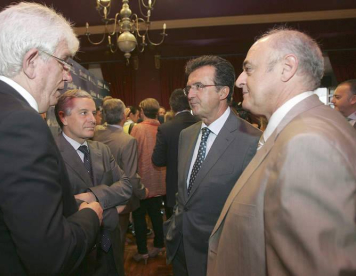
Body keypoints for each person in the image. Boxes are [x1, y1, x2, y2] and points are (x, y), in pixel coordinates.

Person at [0, 3, 103, 275]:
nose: (68, 77)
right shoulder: (19, 123)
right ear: (31, 62)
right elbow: (52, 255)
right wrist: (91, 215)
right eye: (64, 62)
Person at [207, 28, 356, 276]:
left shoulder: (307, 141)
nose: (239, 80)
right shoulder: (305, 127)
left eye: (249, 69)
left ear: (287, 68)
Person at [164, 55, 261, 276]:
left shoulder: (252, 140)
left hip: (221, 256)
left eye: (199, 86)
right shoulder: (186, 135)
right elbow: (184, 194)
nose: (189, 94)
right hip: (180, 246)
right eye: (188, 87)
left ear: (223, 92)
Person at [54, 90, 132, 276]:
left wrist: (93, 196)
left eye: (94, 112)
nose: (93, 119)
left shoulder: (102, 150)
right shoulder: (50, 154)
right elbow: (61, 207)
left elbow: (127, 186)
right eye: (83, 113)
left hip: (110, 249)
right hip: (77, 254)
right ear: (63, 118)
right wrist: (113, 210)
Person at [93, 98, 148, 259]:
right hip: (119, 200)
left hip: (95, 196)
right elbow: (131, 175)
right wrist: (143, 192)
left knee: (99, 243)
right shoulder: (127, 140)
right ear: (123, 116)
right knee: (117, 242)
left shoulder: (94, 133)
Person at [152, 89, 200, 219]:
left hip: (175, 187)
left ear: (171, 106)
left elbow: (158, 160)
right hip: (200, 188)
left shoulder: (166, 128)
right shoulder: (202, 123)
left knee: (174, 231)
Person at [131, 98, 167, 263]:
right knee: (156, 215)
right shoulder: (162, 128)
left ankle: (143, 251)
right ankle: (159, 245)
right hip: (159, 180)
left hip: (141, 181)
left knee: (139, 217)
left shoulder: (138, 128)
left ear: (142, 111)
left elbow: (132, 155)